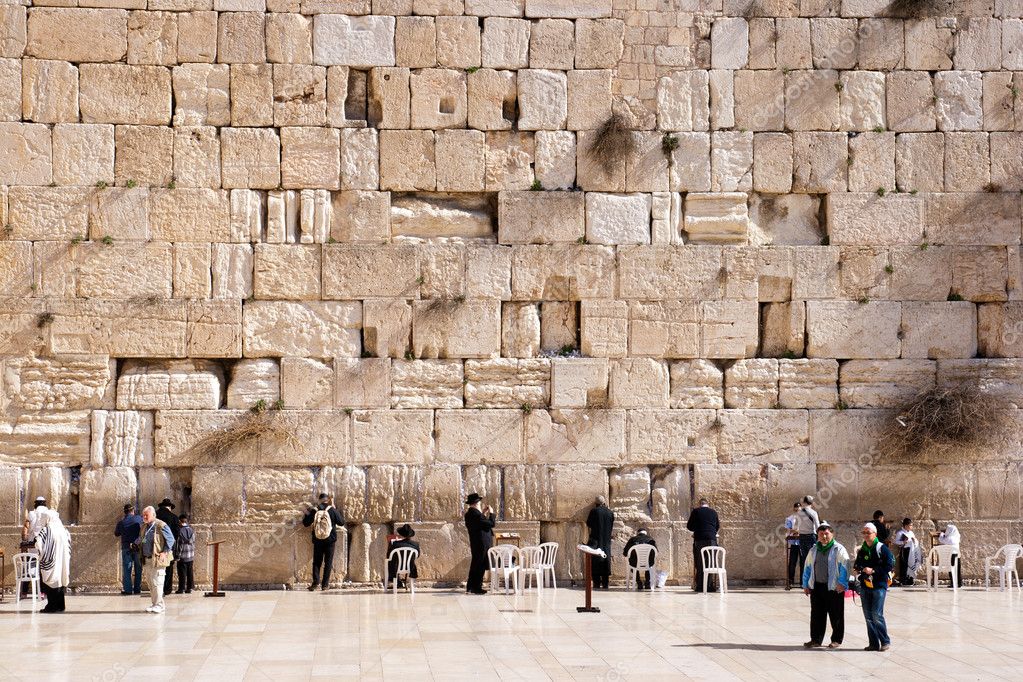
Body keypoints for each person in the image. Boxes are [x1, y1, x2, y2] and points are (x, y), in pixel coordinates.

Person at [801, 521, 849, 649]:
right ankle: (815, 639)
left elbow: (845, 567)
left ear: (832, 534)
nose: (824, 536)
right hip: (817, 587)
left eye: (827, 534)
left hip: (834, 587)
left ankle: (836, 639)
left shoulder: (838, 549)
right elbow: (807, 567)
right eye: (821, 534)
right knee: (816, 614)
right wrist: (806, 584)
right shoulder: (814, 549)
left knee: (836, 615)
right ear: (817, 535)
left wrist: (842, 583)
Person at [854, 522, 895, 651]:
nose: (866, 535)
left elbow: (889, 565)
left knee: (877, 614)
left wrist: (873, 570)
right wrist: (860, 569)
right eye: (864, 532)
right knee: (868, 615)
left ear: (875, 534)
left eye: (868, 532)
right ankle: (873, 643)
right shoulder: (863, 550)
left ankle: (885, 641)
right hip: (866, 585)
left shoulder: (881, 548)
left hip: (878, 585)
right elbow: (857, 564)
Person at [302, 493, 345, 591]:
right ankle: (325, 585)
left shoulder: (315, 510)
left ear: (319, 500)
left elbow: (305, 523)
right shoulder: (332, 510)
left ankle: (315, 583)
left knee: (317, 562)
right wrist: (335, 509)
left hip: (318, 540)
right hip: (330, 540)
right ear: (328, 500)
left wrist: (306, 513)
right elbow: (341, 522)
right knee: (328, 562)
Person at [34, 509, 71, 613]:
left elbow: (39, 544)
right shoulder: (63, 530)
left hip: (51, 562)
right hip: (62, 561)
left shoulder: (46, 530)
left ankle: (51, 606)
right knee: (59, 581)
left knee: (51, 582)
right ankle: (60, 605)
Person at [141, 505, 174, 614]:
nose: (144, 517)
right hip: (146, 559)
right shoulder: (144, 526)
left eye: (147, 515)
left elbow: (171, 539)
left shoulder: (161, 525)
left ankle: (159, 605)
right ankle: (155, 603)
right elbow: (141, 538)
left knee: (157, 583)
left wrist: (164, 552)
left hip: (157, 559)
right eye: (143, 515)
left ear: (153, 515)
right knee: (151, 584)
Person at [464, 492, 495, 594]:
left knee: (476, 565)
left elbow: (479, 522)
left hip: (477, 543)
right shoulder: (475, 515)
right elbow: (491, 524)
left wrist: (483, 513)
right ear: (476, 503)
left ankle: (471, 587)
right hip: (481, 544)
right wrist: (492, 514)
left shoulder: (470, 514)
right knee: (480, 565)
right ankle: (476, 587)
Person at [687, 497, 720, 592]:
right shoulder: (713, 512)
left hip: (699, 539)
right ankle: (709, 586)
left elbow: (689, 526)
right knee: (710, 562)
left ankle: (700, 586)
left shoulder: (696, 511)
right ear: (707, 504)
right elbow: (717, 526)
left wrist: (698, 529)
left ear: (699, 504)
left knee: (700, 562)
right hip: (712, 540)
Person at [586, 496, 614, 590]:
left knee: (595, 561)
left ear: (596, 503)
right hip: (606, 541)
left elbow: (589, 523)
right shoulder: (610, 513)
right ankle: (605, 583)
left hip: (596, 540)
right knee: (606, 560)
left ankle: (597, 583)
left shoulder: (594, 511)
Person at [114, 503, 143, 595]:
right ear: (133, 511)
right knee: (138, 568)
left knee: (127, 569)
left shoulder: (121, 522)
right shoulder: (139, 518)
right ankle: (137, 589)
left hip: (126, 548)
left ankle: (128, 590)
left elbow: (116, 534)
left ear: (125, 512)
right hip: (137, 547)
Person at [156, 498, 181, 596]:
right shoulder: (174, 517)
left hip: (156, 546)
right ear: (170, 507)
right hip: (169, 547)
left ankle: (158, 589)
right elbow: (177, 533)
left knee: (156, 568)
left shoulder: (155, 515)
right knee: (169, 568)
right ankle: (167, 589)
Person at [386, 524, 420, 589]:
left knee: (391, 562)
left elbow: (389, 556)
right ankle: (402, 583)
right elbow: (417, 555)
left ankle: (395, 581)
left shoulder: (395, 544)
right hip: (410, 567)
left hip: (396, 568)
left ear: (401, 534)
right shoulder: (416, 544)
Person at [795, 496, 820, 580]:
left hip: (802, 537)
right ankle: (812, 579)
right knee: (813, 558)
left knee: (805, 559)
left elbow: (796, 526)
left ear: (804, 502)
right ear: (811, 503)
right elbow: (817, 527)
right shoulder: (813, 513)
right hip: (811, 537)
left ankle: (805, 580)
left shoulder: (799, 513)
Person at [893, 518, 920, 586]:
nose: (911, 527)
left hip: (912, 551)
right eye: (910, 525)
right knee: (904, 565)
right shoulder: (900, 533)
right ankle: (903, 580)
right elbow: (896, 542)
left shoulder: (911, 533)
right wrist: (903, 542)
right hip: (905, 550)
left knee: (911, 564)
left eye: (911, 525)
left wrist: (914, 540)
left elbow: (915, 541)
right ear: (906, 525)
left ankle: (910, 579)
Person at [174, 513, 195, 594]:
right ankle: (190, 588)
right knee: (190, 572)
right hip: (190, 555)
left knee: (182, 573)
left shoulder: (180, 531)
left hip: (182, 556)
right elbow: (193, 542)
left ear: (180, 521)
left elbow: (179, 545)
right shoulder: (191, 530)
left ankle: (181, 588)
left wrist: (177, 556)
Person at [938, 523, 962, 588]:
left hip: (951, 555)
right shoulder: (957, 536)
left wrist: (941, 534)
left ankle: (953, 583)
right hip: (957, 554)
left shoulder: (950, 538)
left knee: (951, 569)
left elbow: (941, 540)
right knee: (958, 569)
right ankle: (959, 583)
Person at [785, 502, 801, 590]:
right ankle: (790, 581)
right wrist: (795, 531)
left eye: (798, 510)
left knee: (803, 562)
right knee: (792, 563)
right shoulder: (790, 518)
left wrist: (797, 531)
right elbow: (789, 529)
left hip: (802, 542)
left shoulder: (804, 519)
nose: (797, 511)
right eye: (796, 510)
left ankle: (803, 582)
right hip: (794, 542)